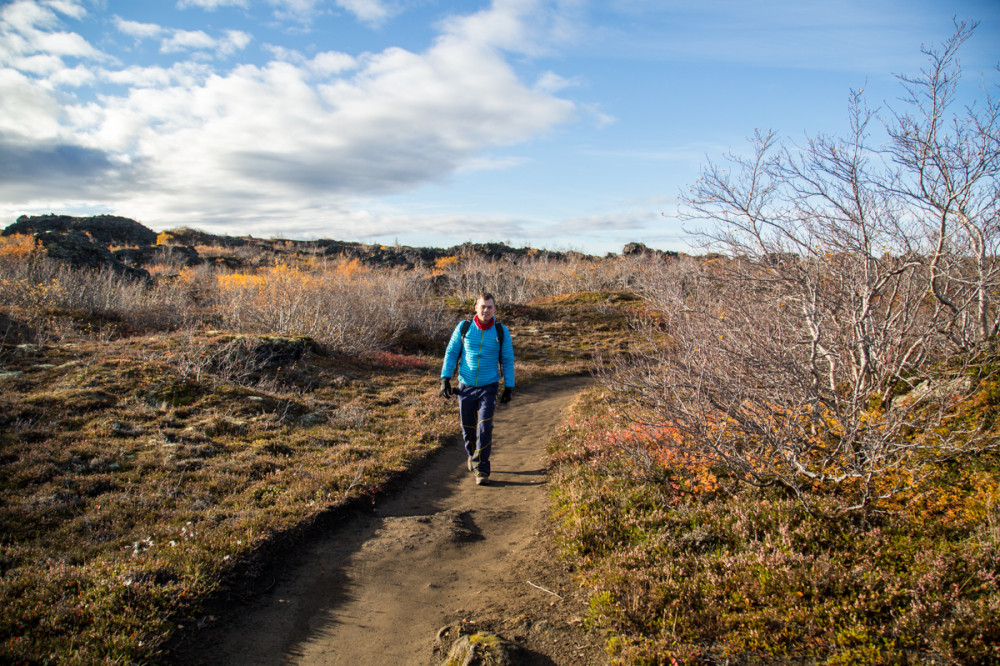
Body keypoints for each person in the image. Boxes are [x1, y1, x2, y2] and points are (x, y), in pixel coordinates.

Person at [439, 292, 515, 486]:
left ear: (495, 309)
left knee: (484, 427)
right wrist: (445, 378)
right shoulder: (464, 328)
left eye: (490, 307)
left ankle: (482, 469)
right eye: (483, 306)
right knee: (468, 429)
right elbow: (451, 352)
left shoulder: (501, 331)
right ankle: (473, 455)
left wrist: (509, 386)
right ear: (476, 307)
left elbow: (507, 359)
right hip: (465, 386)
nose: (486, 310)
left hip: (489, 387)